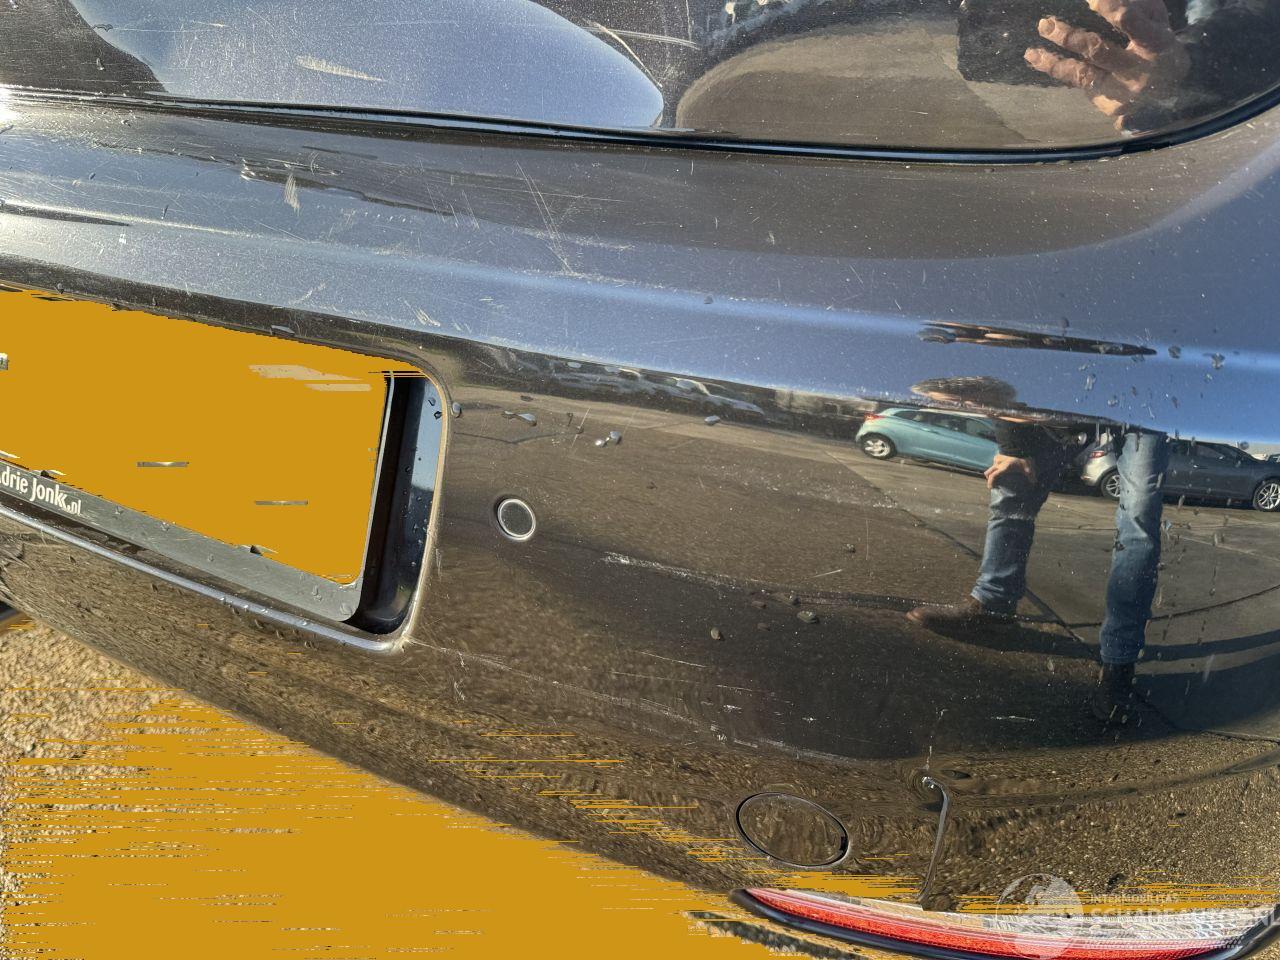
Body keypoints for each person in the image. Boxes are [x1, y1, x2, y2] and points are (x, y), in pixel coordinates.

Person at [903, 378, 1169, 724]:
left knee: (1139, 517)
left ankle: (1119, 661)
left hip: (1142, 396)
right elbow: (1009, 367)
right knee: (1012, 480)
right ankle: (993, 606)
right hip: (1075, 383)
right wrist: (1013, 446)